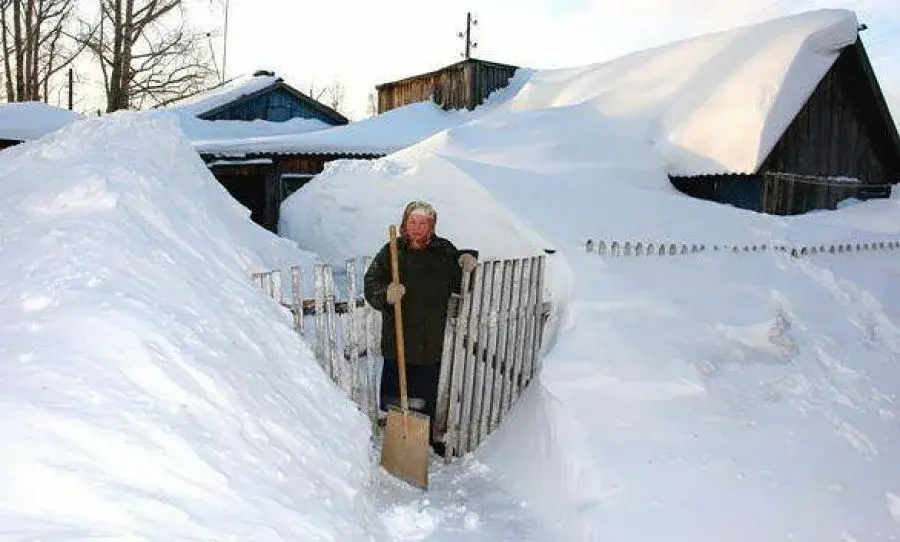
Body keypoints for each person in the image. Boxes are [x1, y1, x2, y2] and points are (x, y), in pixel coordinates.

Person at [363, 200, 477, 451]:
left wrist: (467, 265)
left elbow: (461, 283)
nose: (416, 228)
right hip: (399, 337)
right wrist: (386, 294)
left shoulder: (443, 250)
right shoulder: (392, 251)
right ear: (405, 223)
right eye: (412, 222)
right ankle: (399, 440)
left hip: (432, 339)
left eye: (423, 223)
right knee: (397, 396)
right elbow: (371, 283)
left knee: (428, 394)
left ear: (431, 226)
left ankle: (427, 438)